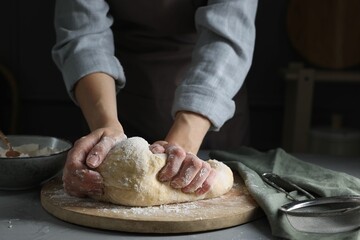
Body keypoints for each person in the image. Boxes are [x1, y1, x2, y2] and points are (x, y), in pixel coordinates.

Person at [52, 0, 258, 198]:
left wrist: (181, 147)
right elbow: (85, 36)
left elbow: (226, 39)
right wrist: (106, 125)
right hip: (116, 94)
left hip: (212, 98)